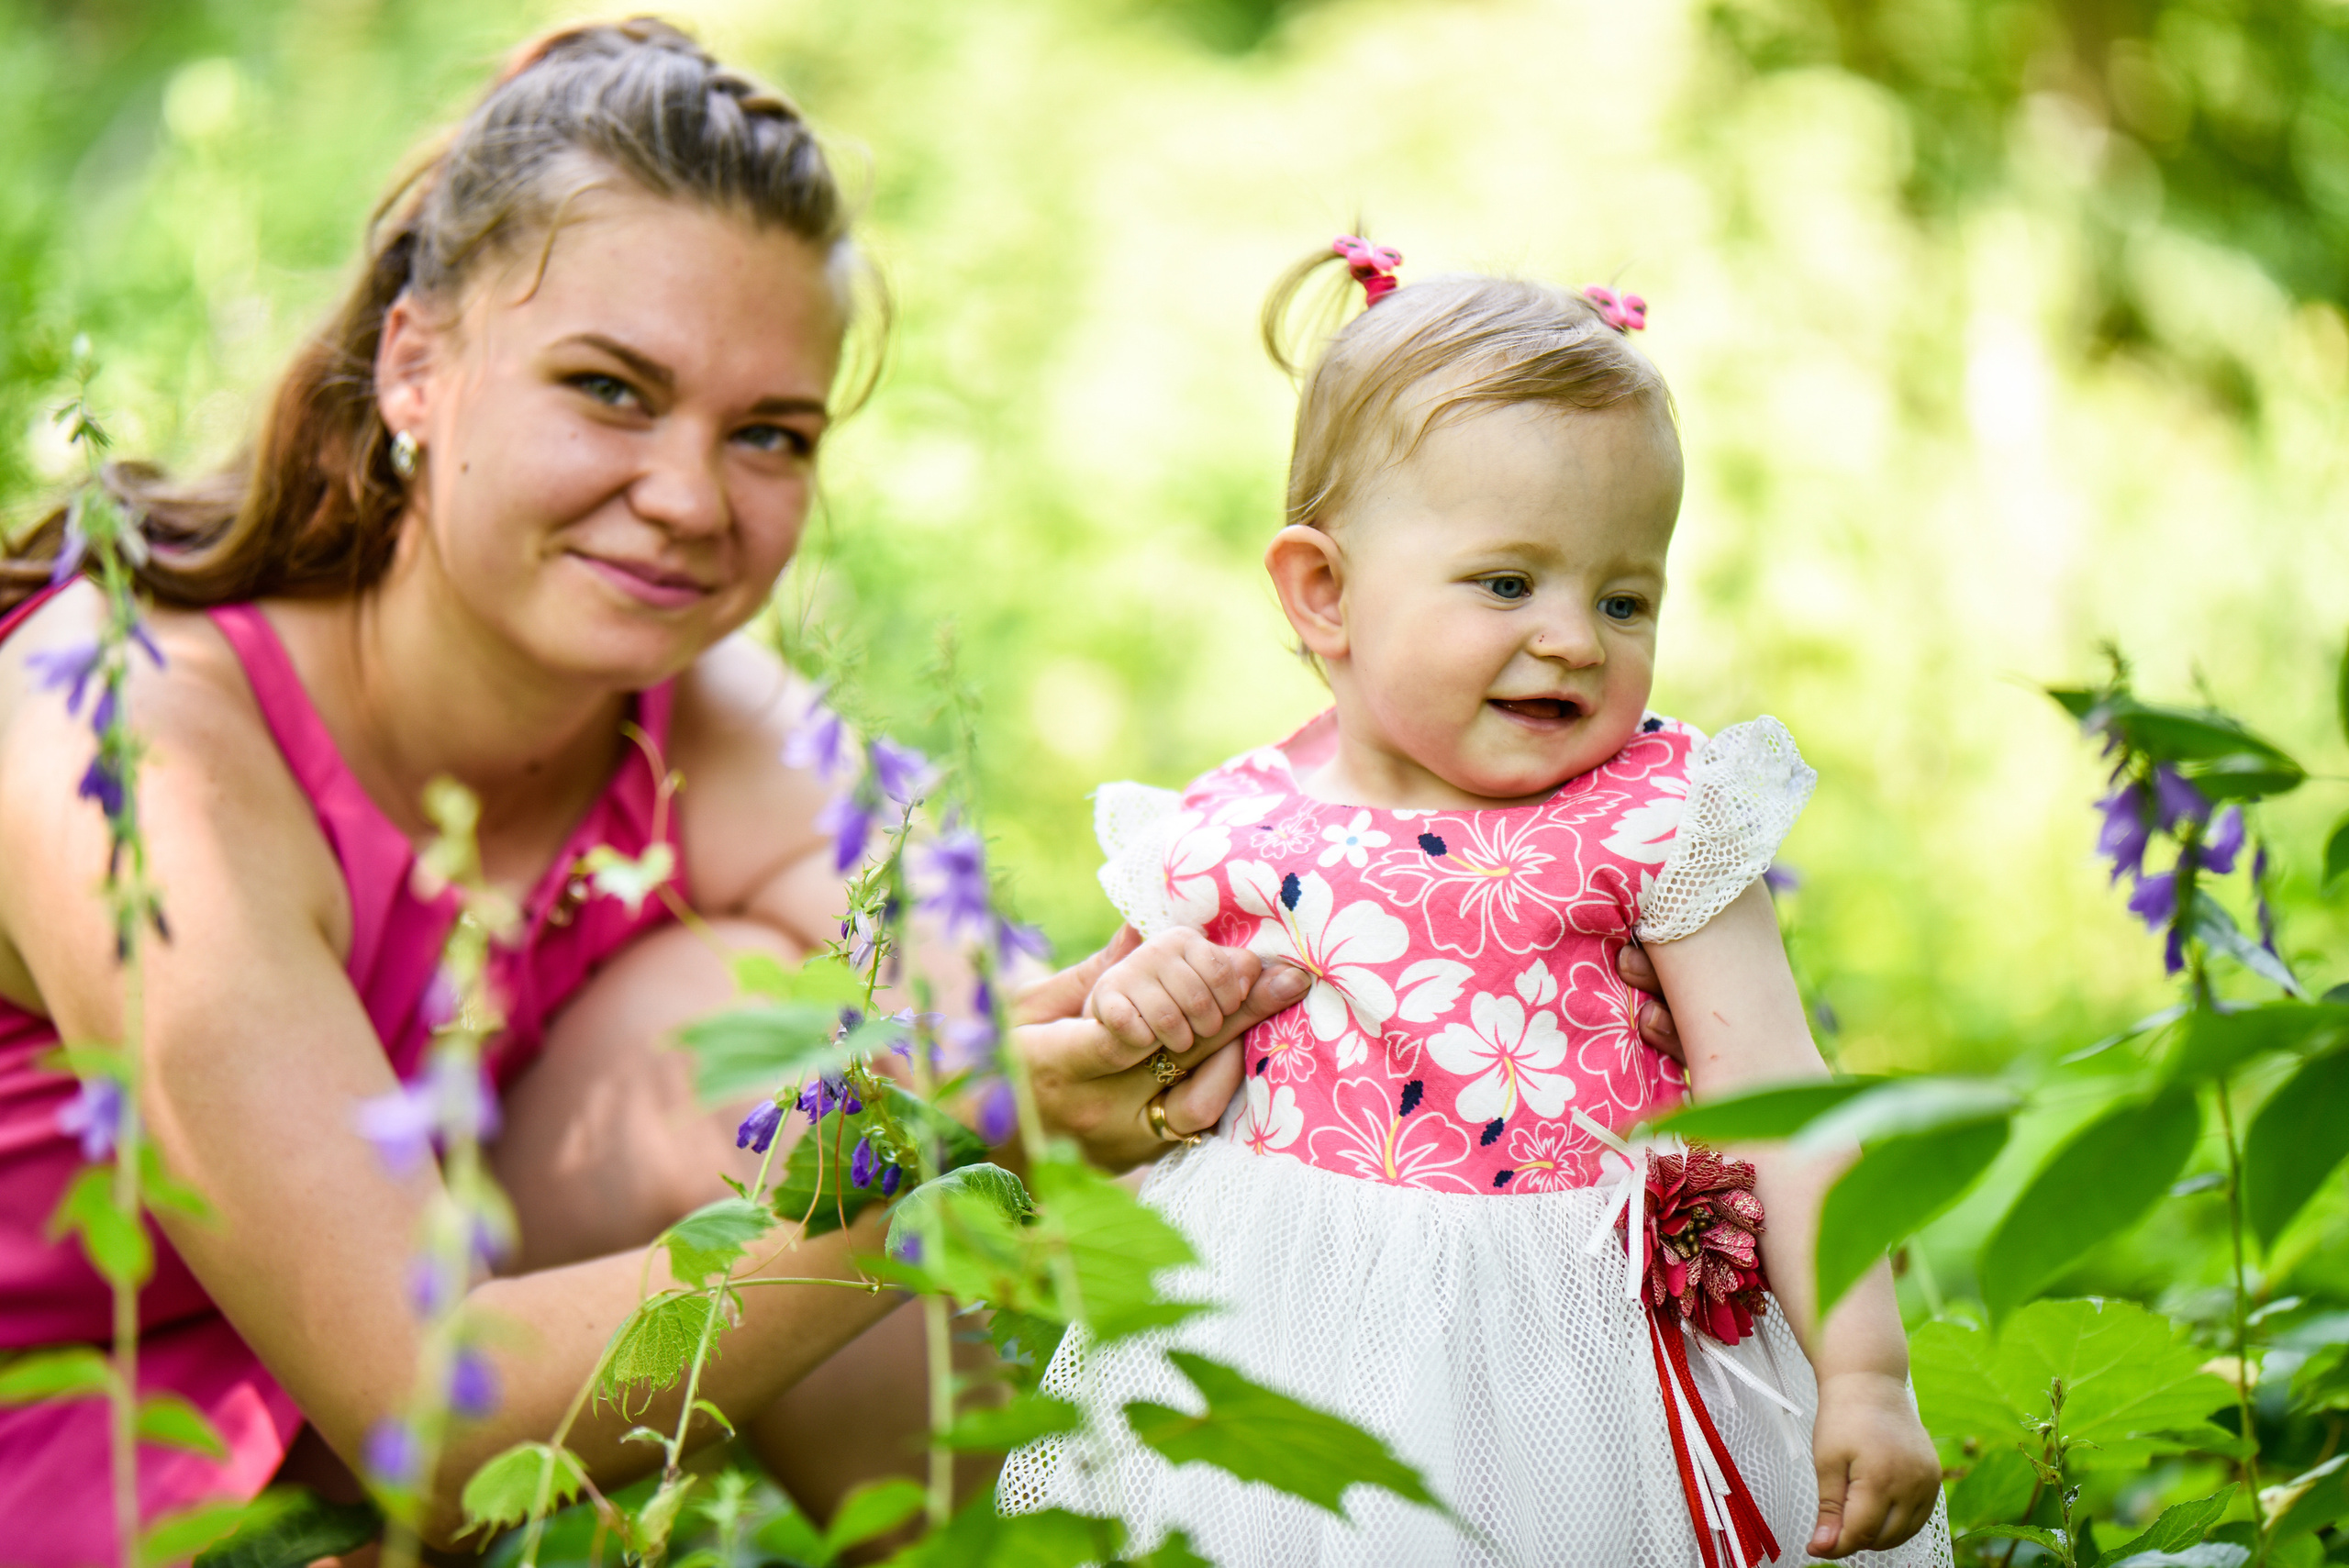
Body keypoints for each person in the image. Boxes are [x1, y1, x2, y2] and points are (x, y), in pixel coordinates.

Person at [0, 19, 1696, 1558]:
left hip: (356, 1458)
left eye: (772, 434)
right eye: (611, 388)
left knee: (733, 1029)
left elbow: (1005, 1021)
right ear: (416, 365)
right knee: (828, 1095)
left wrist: (1455, 989)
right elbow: (422, 1411)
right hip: (123, 1463)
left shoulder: (686, 712)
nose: (687, 495)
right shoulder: (124, 736)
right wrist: (943, 1156)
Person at [996, 244, 1951, 1565]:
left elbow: (1787, 1107)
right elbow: (1146, 1053)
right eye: (1509, 583)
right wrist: (1149, 992)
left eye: (1625, 598)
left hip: (1582, 1364)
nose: (1572, 637)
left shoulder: (1655, 816)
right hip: (1286, 1343)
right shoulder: (1224, 833)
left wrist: (1865, 1377)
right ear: (1322, 591)